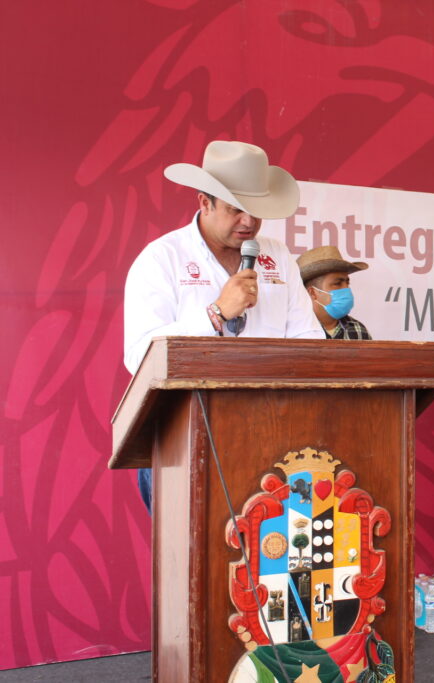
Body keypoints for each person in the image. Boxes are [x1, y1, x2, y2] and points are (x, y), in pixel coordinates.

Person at [123, 140, 322, 511]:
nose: (249, 223)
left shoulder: (277, 256)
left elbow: (309, 341)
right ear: (204, 203)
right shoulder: (161, 259)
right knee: (189, 563)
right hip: (182, 442)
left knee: (273, 561)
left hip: (273, 438)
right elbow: (139, 358)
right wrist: (214, 314)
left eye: (256, 212)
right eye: (235, 210)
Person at [297, 246, 372, 339]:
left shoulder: (359, 330)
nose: (346, 288)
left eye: (347, 282)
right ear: (313, 293)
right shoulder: (295, 330)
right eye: (337, 283)